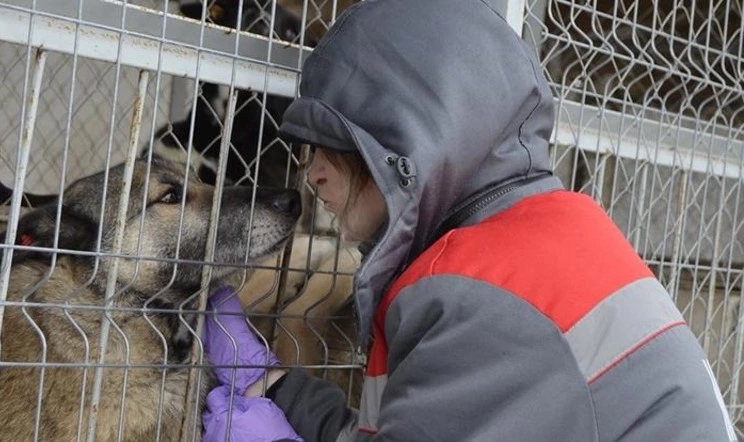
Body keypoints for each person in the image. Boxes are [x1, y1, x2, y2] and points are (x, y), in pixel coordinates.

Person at [200, 0, 737, 440]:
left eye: (332, 144)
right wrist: (274, 385)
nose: (313, 172)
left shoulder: (474, 292)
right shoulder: (550, 232)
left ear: (406, 140)